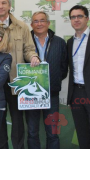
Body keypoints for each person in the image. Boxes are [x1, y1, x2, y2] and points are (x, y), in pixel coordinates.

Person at [0, 0, 40, 149]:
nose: (0, 6)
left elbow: (29, 48)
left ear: (10, 5)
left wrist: (33, 57)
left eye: (3, 3)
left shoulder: (22, 26)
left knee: (18, 120)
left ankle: (18, 150)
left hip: (16, 81)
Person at [25, 11, 68, 149]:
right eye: (35, 21)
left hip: (52, 94)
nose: (39, 24)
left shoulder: (60, 42)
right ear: (31, 24)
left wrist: (51, 81)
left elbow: (64, 68)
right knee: (32, 132)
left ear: (48, 23)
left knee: (52, 133)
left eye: (42, 20)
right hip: (31, 95)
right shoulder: (25, 42)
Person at [67, 5, 90, 149]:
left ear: (87, 18)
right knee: (82, 134)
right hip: (77, 94)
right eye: (73, 17)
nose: (76, 20)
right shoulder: (69, 43)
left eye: (80, 16)